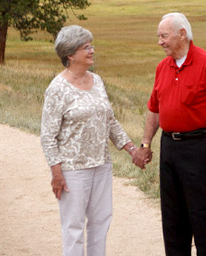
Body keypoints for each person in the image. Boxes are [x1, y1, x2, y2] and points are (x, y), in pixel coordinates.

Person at [133, 12, 206, 256]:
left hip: (199, 147)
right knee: (172, 215)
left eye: (164, 36)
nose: (160, 42)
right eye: (159, 36)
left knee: (202, 215)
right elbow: (154, 109)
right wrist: (145, 144)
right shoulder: (162, 67)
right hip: (170, 148)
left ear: (182, 34)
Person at [40, 25, 139, 256]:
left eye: (91, 46)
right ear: (70, 55)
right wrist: (56, 173)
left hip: (101, 165)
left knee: (101, 223)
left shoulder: (97, 81)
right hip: (72, 169)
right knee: (73, 228)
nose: (92, 51)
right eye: (86, 47)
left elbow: (111, 122)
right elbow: (48, 135)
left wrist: (131, 149)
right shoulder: (57, 89)